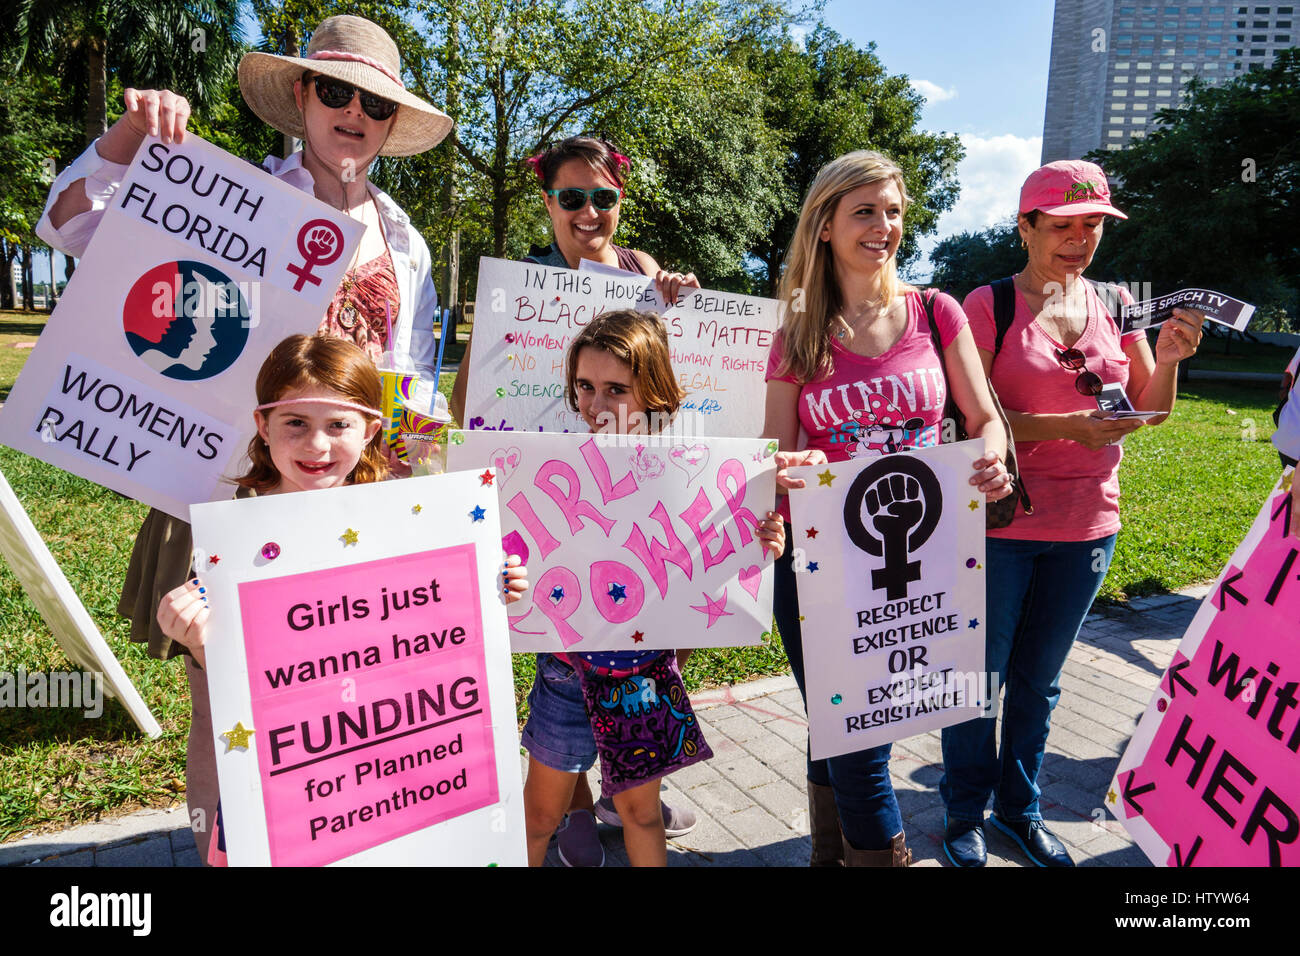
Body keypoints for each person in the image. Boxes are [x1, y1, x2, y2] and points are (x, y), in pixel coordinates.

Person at [35, 14, 453, 861]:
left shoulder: (402, 234)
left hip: (353, 498)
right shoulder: (233, 195)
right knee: (222, 702)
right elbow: (69, 225)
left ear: (390, 120)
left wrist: (427, 455)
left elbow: (406, 374)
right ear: (300, 96)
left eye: (373, 101)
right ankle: (216, 848)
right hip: (237, 491)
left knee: (342, 698)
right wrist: (131, 132)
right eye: (335, 91)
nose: (353, 113)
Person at [156, 334, 529, 864]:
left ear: (371, 429)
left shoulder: (406, 520)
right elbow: (227, 697)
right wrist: (196, 639)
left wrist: (492, 590)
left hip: (382, 778)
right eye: (296, 424)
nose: (317, 446)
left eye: (338, 425)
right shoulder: (231, 543)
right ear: (263, 426)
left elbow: (426, 626)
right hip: (291, 789)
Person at [938, 160, 1204, 868]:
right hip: (999, 525)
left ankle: (1018, 812)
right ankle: (963, 812)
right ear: (1025, 227)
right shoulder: (988, 303)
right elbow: (968, 419)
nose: (1079, 239)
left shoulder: (1118, 302)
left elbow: (1150, 410)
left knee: (1041, 680)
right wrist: (1065, 427)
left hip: (1089, 524)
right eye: (1061, 225)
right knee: (979, 675)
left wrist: (1172, 357)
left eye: (1092, 225)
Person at [449, 136, 700, 864]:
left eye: (603, 197)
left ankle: (628, 799)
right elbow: (473, 407)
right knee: (563, 676)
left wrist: (679, 300)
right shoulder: (518, 285)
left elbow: (692, 396)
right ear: (548, 202)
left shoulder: (645, 274)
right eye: (570, 198)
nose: (589, 211)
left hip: (640, 549)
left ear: (621, 200)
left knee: (630, 676)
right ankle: (579, 808)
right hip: (556, 532)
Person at [762, 150, 1012, 867]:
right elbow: (776, 457)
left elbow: (985, 417)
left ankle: (825, 855)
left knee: (837, 724)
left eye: (894, 211)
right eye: (865, 211)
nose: (884, 226)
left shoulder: (938, 312)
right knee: (858, 736)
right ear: (827, 225)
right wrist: (793, 466)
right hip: (820, 567)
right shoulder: (798, 333)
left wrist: (991, 453)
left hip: (920, 559)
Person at [519, 309, 786, 866]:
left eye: (616, 389)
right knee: (539, 817)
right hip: (566, 672)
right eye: (585, 387)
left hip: (644, 678)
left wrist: (760, 539)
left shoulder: (691, 472)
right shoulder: (548, 465)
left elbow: (717, 561)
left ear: (655, 392)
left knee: (641, 813)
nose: (595, 406)